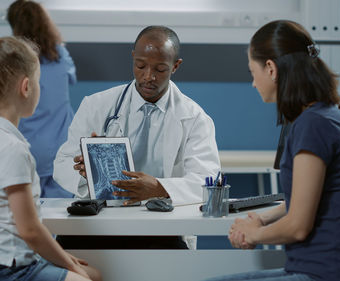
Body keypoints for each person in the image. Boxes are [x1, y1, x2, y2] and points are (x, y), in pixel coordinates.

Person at [206, 20, 340, 281]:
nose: (253, 83)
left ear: (271, 69)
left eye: (253, 72)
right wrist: (261, 221)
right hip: (318, 268)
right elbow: (301, 201)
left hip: (332, 273)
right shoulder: (318, 117)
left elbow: (298, 226)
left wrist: (253, 233)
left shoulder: (314, 125)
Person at [53, 26, 220, 249]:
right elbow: (61, 164)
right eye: (140, 66)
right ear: (133, 58)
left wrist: (159, 187)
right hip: (99, 223)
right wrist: (88, 174)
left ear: (175, 66)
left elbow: (208, 181)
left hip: (161, 226)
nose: (148, 76)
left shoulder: (195, 119)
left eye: (160, 69)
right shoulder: (96, 105)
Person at [0, 27, 101, 281]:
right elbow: (30, 230)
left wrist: (67, 260)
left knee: (94, 275)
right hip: (2, 270)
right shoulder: (11, 149)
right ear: (26, 87)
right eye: (39, 82)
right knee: (85, 278)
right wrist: (71, 266)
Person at [7, 0, 77, 198]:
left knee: (28, 215)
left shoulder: (13, 59)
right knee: (61, 217)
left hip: (28, 148)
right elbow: (72, 77)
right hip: (61, 147)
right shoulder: (61, 54)